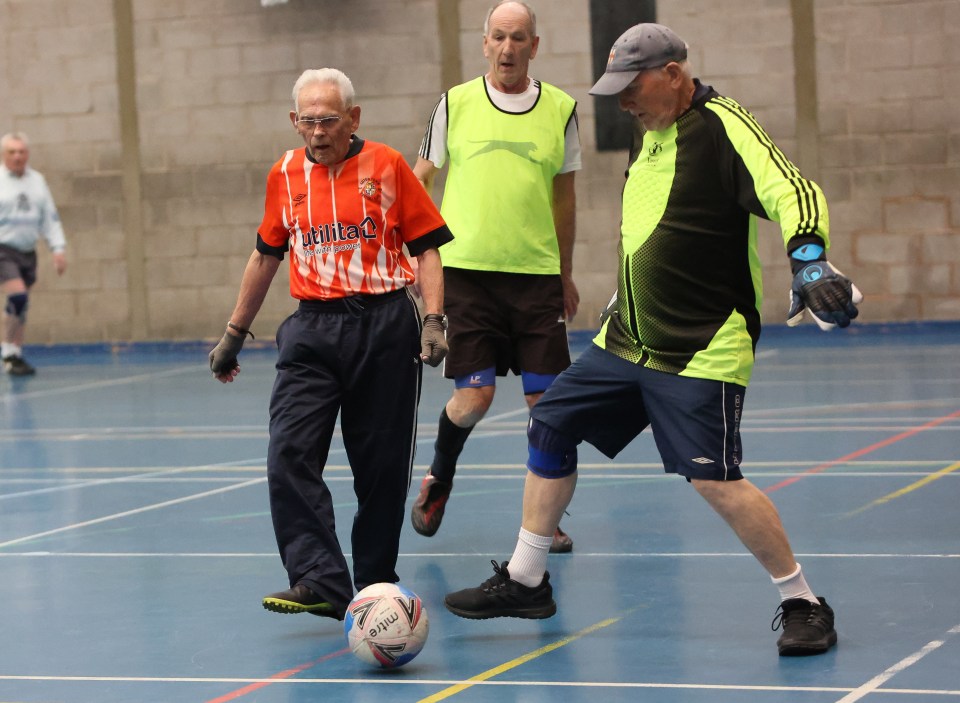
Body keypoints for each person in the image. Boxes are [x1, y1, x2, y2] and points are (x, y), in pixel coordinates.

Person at [443, 23, 863, 657]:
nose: (624, 102)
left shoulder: (723, 124)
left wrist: (808, 261)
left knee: (716, 480)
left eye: (632, 87)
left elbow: (791, 188)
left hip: (700, 345)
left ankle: (803, 601)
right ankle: (528, 580)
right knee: (551, 421)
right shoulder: (650, 138)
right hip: (626, 339)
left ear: (673, 73)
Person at [209, 68, 453, 621]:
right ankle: (319, 577)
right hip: (311, 331)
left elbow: (429, 249)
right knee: (288, 452)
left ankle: (373, 588)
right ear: (295, 122)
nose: (317, 131)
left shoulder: (389, 167)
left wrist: (434, 320)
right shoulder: (285, 175)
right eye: (307, 121)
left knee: (382, 468)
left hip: (385, 324)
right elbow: (266, 256)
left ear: (353, 118)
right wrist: (233, 334)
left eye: (328, 119)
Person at [410, 0, 581, 553]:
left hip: (534, 277)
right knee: (475, 396)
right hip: (466, 275)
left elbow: (565, 199)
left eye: (519, 38)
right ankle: (439, 476)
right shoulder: (454, 104)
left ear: (535, 45)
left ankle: (544, 519)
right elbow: (420, 184)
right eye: (498, 37)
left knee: (547, 406)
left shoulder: (560, 108)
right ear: (485, 43)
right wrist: (413, 258)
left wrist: (565, 271)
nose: (508, 48)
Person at [1, 132, 68, 376]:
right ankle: (7, 351)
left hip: (27, 251)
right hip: (3, 250)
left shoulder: (37, 181)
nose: (17, 156)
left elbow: (49, 218)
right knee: (17, 296)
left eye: (21, 151)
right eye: (12, 152)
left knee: (22, 305)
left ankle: (15, 354)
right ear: (4, 155)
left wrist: (57, 249)